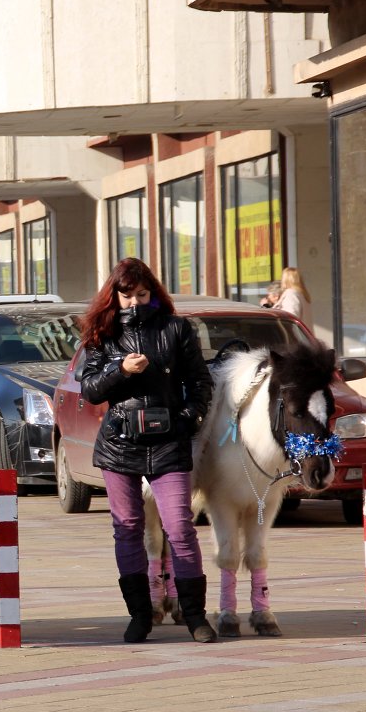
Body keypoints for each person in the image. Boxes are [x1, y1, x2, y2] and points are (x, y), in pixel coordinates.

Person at [78, 257, 216, 644]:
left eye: (142, 294)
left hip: (169, 440)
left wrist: (189, 417)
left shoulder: (176, 329)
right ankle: (140, 615)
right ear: (114, 297)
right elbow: (89, 390)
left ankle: (195, 617)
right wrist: (121, 370)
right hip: (120, 442)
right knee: (127, 530)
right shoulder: (101, 335)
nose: (135, 302)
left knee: (180, 528)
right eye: (127, 296)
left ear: (153, 292)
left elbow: (201, 382)